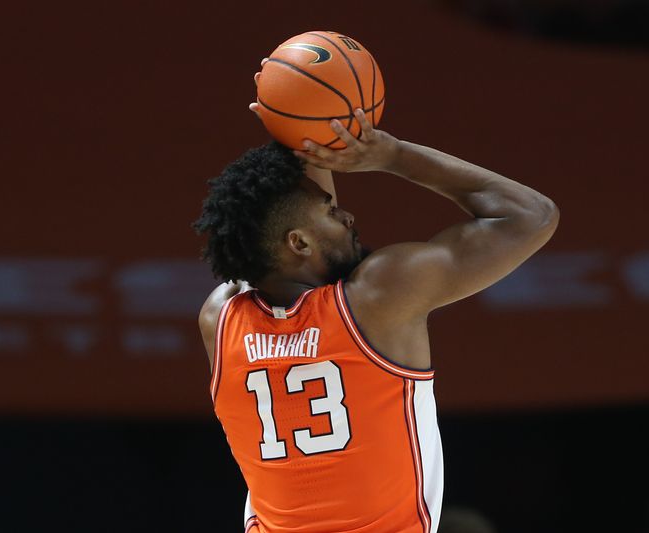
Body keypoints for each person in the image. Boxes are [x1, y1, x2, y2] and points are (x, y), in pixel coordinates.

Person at [193, 66, 559, 533]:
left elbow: (284, 229)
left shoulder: (221, 317)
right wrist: (393, 155)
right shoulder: (377, 298)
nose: (346, 214)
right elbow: (531, 216)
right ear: (299, 244)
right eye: (331, 212)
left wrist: (298, 129)